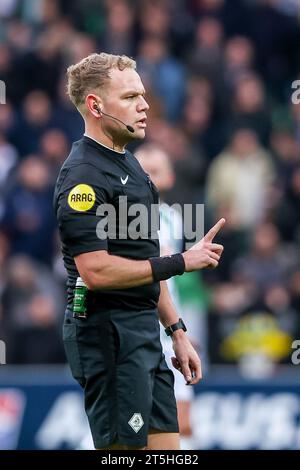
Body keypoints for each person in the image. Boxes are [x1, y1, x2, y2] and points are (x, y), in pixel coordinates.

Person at [54, 52, 225, 450]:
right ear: (96, 106)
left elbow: (145, 262)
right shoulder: (83, 176)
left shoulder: (133, 170)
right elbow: (95, 272)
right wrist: (182, 261)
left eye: (143, 95)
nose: (145, 105)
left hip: (146, 333)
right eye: (131, 97)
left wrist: (177, 332)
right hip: (106, 335)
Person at [135, 143, 202, 449]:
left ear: (170, 179)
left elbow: (171, 283)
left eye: (155, 171)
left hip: (167, 330)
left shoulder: (173, 218)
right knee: (137, 426)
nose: (147, 176)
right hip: (137, 333)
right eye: (141, 170)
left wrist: (181, 331)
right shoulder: (125, 219)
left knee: (182, 424)